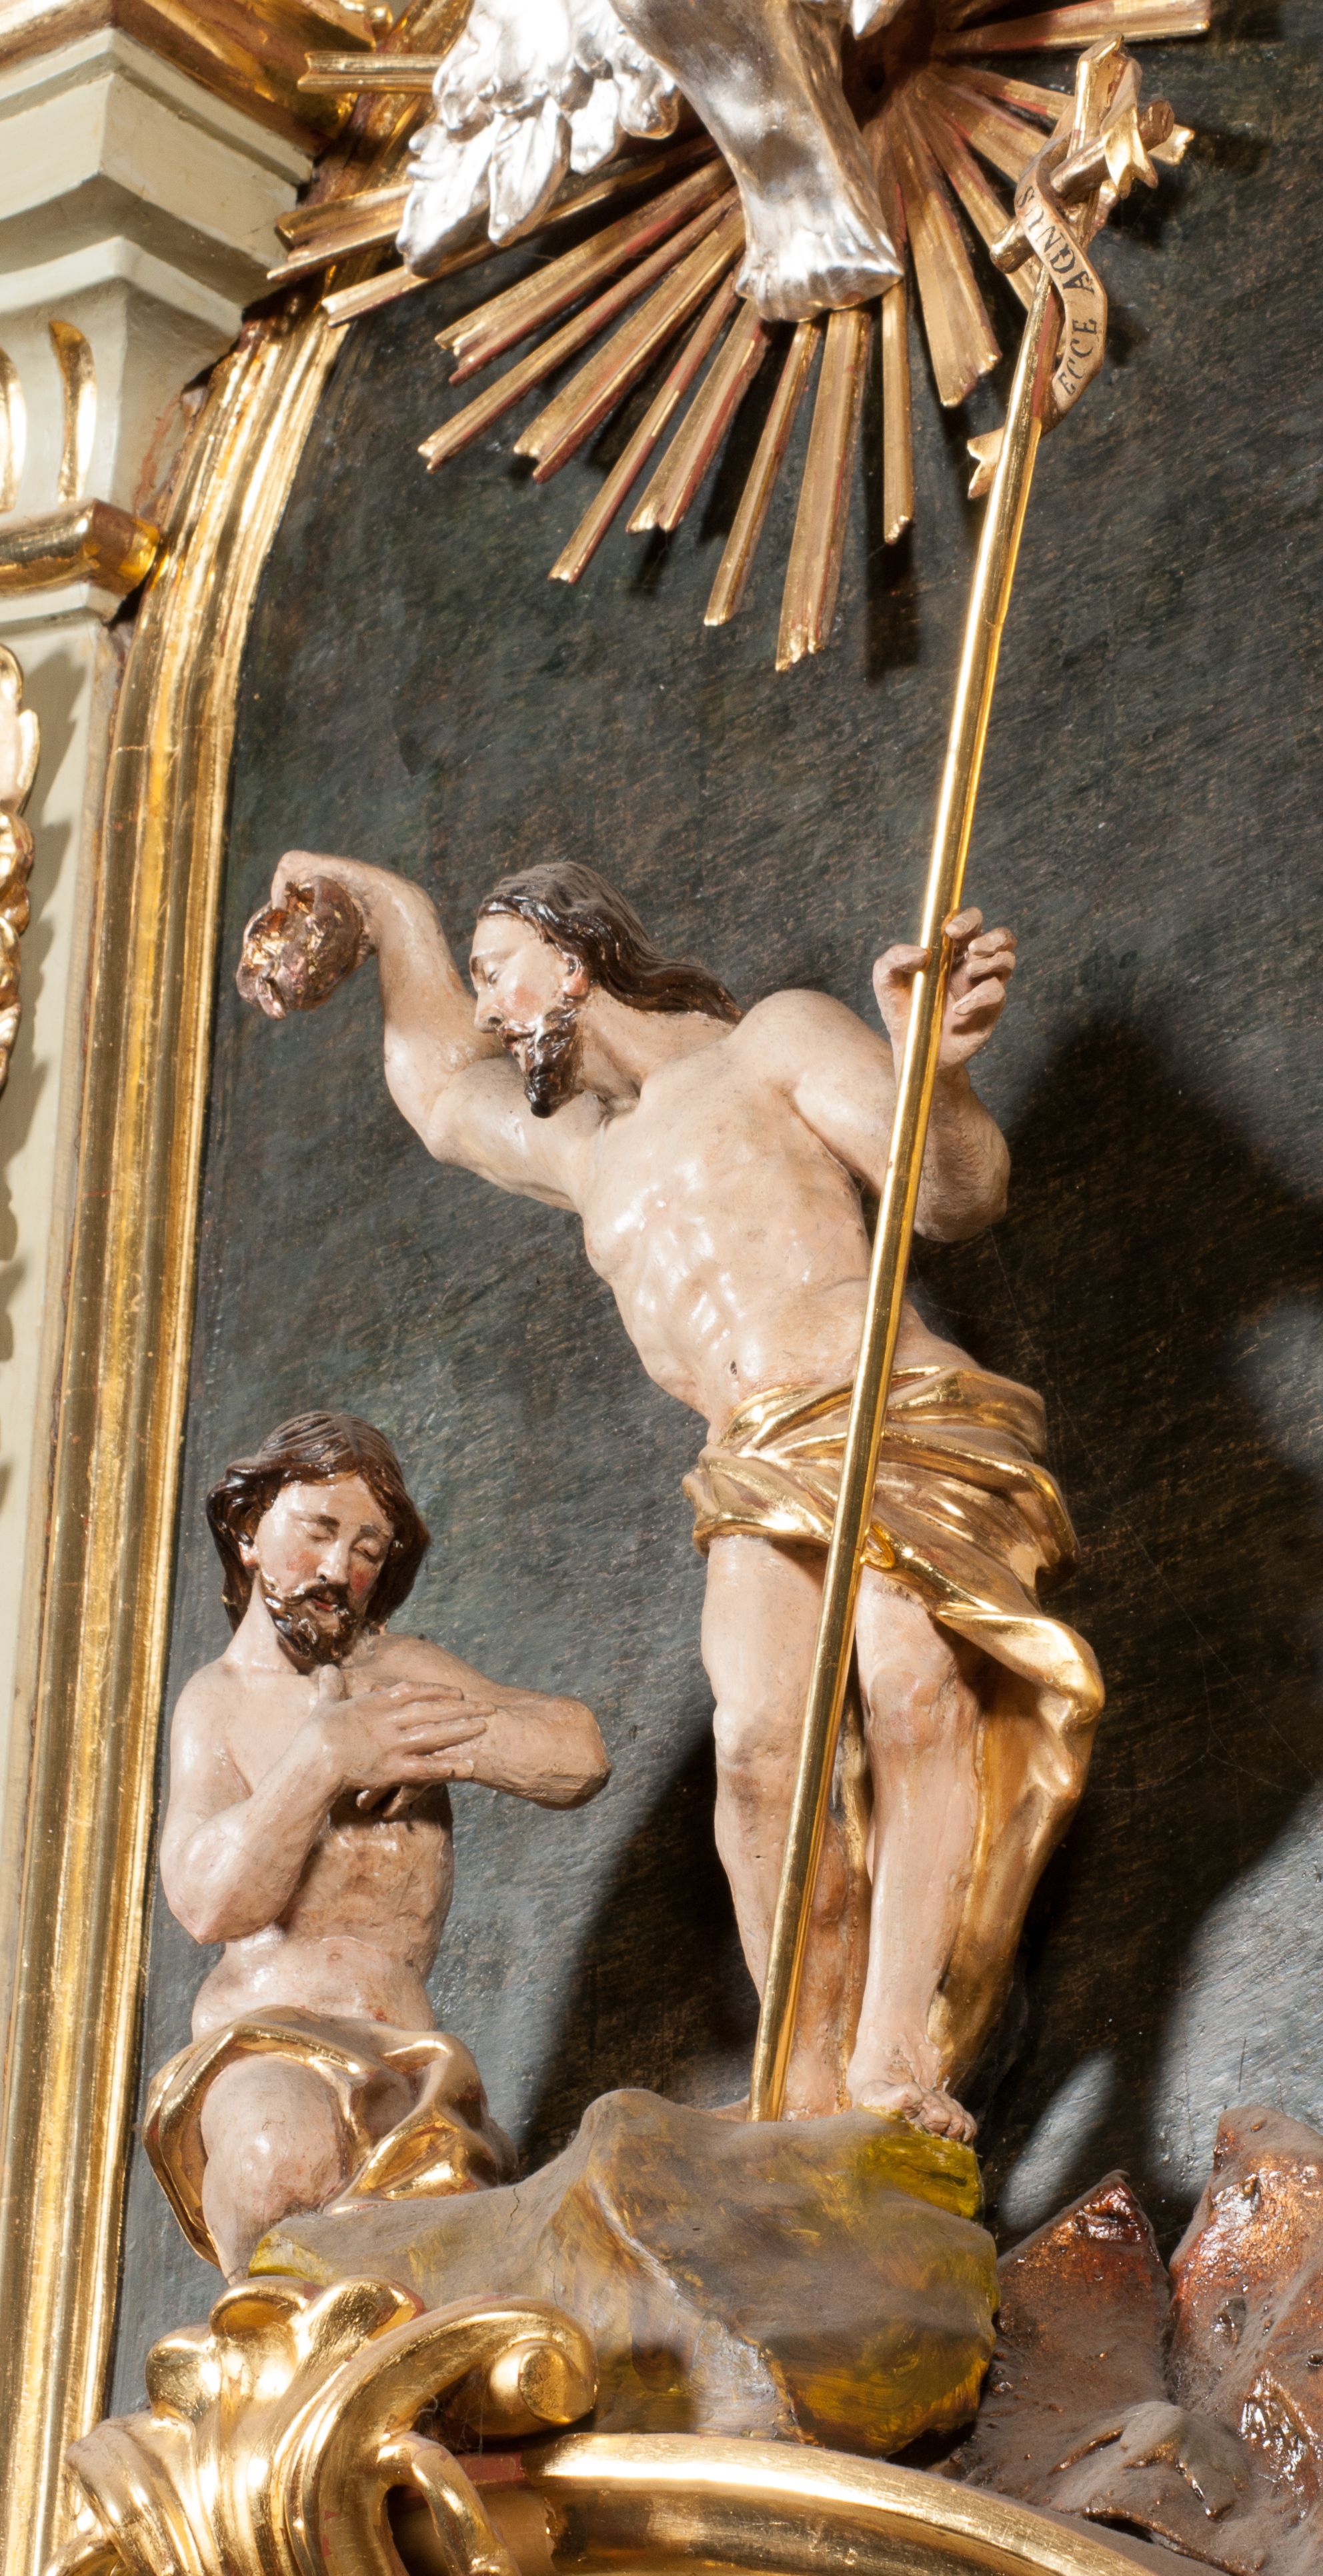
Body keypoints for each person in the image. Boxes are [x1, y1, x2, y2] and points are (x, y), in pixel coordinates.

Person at [247, 856, 1103, 2140]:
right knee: (757, 1752)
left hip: (887, 1408)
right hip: (751, 1457)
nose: (486, 1012)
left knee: (914, 1692)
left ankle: (893, 2056)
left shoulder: (774, 1044)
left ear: (571, 957)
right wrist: (385, 910)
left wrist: (939, 1070)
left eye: (495, 973)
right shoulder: (586, 1147)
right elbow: (436, 1094)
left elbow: (955, 1197)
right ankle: (799, 2079)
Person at [149, 1407, 609, 2276]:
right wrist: (323, 1760)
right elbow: (208, 1903)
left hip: (411, 2061)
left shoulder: (401, 1672)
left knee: (457, 2267)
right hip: (271, 2043)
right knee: (274, 2160)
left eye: (367, 1549)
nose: (338, 1569)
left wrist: (433, 1742)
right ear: (248, 1533)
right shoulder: (220, 1702)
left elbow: (578, 1754)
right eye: (318, 1532)